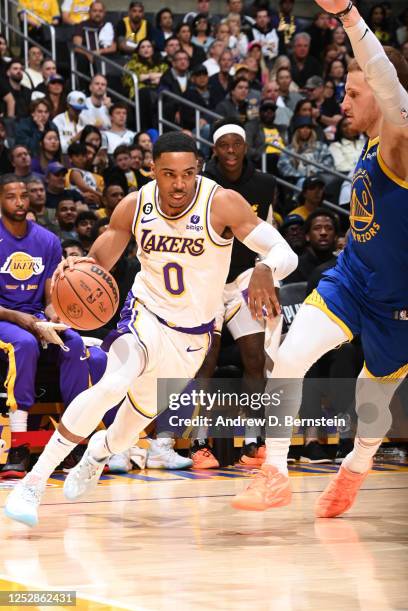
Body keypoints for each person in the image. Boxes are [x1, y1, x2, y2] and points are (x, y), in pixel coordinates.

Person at [4, 131, 297, 525]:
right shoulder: (135, 205)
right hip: (144, 316)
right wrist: (75, 274)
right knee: (111, 382)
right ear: (153, 170)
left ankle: (98, 453)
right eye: (169, 173)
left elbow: (284, 252)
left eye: (188, 173)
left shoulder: (221, 203)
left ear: (199, 169)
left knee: (126, 433)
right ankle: (34, 485)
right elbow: (98, 260)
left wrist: (264, 268)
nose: (179, 184)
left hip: (192, 338)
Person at [231, 0, 408, 517]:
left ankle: (355, 467)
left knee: (369, 403)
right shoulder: (372, 145)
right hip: (352, 280)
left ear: (379, 93)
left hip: (398, 303)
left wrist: (349, 16)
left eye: (353, 93)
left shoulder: (400, 141)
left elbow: (389, 85)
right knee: (288, 358)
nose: (342, 101)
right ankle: (276, 474)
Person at [0, 175, 95, 478]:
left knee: (75, 343)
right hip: (5, 319)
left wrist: (55, 317)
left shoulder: (48, 240)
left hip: (35, 317)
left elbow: (50, 297)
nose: (19, 202)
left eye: (24, 195)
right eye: (11, 196)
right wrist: (23, 320)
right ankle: (18, 445)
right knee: (24, 343)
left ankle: (72, 441)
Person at [203, 118, 279, 466]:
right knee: (204, 359)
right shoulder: (203, 183)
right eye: (224, 145)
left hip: (247, 277)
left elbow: (270, 232)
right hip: (208, 280)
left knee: (255, 357)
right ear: (215, 150)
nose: (231, 151)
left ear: (245, 147)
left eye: (237, 144)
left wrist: (268, 270)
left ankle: (252, 440)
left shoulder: (264, 184)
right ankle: (198, 444)